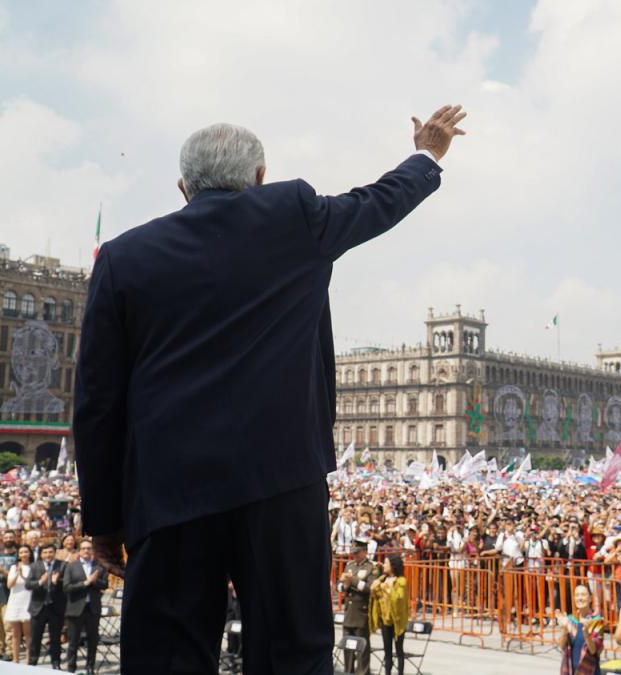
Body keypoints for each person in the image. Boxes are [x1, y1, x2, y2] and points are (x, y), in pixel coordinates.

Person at [73, 105, 467, 674]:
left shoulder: (123, 258)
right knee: (291, 651)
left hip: (168, 493)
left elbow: (97, 402)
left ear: (183, 188)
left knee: (166, 655)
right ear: (260, 177)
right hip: (281, 484)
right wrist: (427, 153)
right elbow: (380, 201)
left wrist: (104, 520)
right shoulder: (295, 216)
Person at [62, 539, 107, 674]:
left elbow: (105, 585)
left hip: (93, 608)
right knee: (73, 642)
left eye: (89, 548)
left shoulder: (99, 566)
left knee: (92, 641)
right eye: (84, 548)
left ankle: (90, 668)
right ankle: (71, 669)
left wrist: (94, 581)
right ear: (79, 551)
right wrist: (85, 583)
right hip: (75, 609)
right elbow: (66, 587)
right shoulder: (71, 566)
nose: (86, 551)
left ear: (92, 550)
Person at [25, 543, 66, 670]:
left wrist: (56, 582)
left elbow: (68, 583)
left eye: (50, 552)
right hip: (38, 607)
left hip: (56, 607)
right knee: (35, 638)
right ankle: (33, 663)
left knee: (55, 637)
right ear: (41, 554)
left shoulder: (63, 565)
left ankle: (56, 662)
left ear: (54, 553)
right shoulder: (34, 566)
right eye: (45, 552)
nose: (48, 555)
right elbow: (28, 585)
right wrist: (40, 582)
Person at [341, 539, 379, 675]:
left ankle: (362, 672)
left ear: (364, 552)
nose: (354, 556)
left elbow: (370, 588)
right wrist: (345, 586)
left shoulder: (371, 567)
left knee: (362, 649)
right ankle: (348, 671)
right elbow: (340, 586)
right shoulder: (350, 566)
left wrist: (354, 581)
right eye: (353, 553)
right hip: (349, 612)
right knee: (348, 647)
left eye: (357, 553)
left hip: (361, 613)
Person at [369, 553, 409, 675]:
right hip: (385, 620)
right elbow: (376, 595)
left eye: (386, 563)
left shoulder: (401, 581)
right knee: (387, 651)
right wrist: (376, 587)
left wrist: (386, 588)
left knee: (399, 650)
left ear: (392, 566)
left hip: (397, 621)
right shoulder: (383, 579)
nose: (384, 565)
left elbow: (399, 598)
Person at [555, 583, 603, 675]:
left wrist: (586, 634)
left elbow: (593, 650)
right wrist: (564, 628)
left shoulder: (596, 621)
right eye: (577, 595)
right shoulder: (570, 619)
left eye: (583, 595)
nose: (580, 598)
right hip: (571, 670)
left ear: (590, 598)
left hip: (589, 671)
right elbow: (562, 646)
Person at [4, 545, 34, 663]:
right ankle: (15, 659)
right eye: (21, 552)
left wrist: (22, 575)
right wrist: (17, 573)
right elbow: (9, 585)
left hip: (28, 601)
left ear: (30, 553)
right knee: (15, 633)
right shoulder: (13, 567)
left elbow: (32, 584)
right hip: (15, 601)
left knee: (28, 633)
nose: (23, 554)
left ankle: (28, 658)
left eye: (26, 552)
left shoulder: (33, 567)